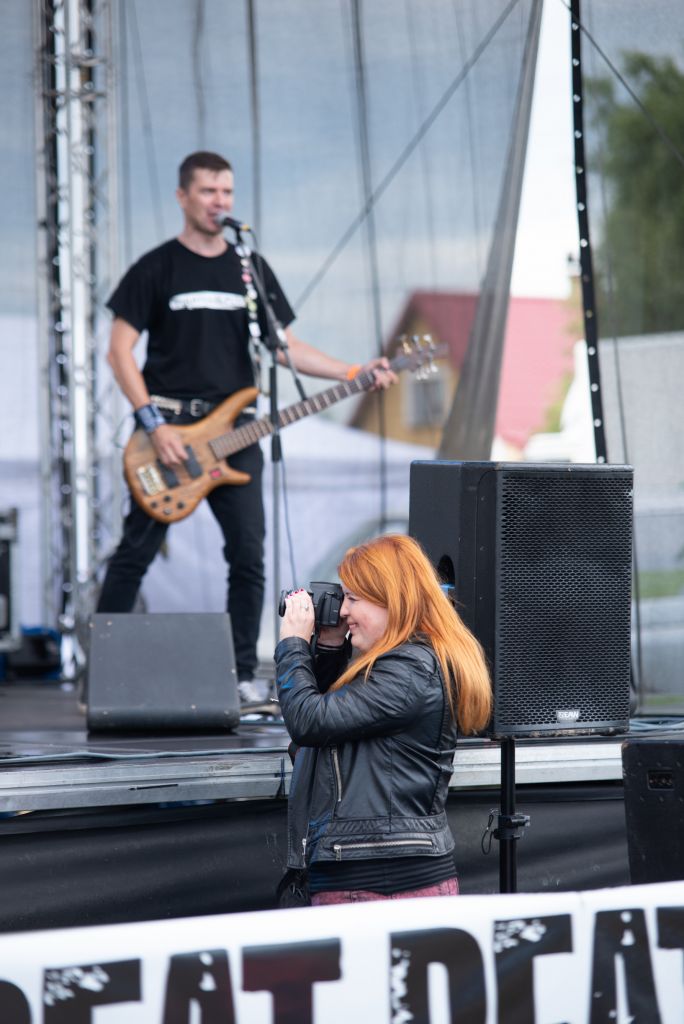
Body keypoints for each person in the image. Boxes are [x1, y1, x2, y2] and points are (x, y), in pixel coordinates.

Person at [96, 151, 395, 703]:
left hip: (237, 437)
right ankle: (101, 678)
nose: (220, 202)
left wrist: (353, 372)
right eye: (209, 191)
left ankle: (239, 675)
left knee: (248, 557)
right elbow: (119, 351)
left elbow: (285, 347)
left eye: (227, 192)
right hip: (168, 438)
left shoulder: (248, 268)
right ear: (183, 197)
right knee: (134, 553)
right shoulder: (156, 268)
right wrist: (153, 423)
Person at [275, 533, 492, 905]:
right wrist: (330, 645)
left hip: (382, 884)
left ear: (392, 600)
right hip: (372, 876)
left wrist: (292, 644)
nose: (343, 611)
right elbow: (329, 720)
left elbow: (309, 720)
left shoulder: (409, 670)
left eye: (353, 598)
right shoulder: (399, 665)